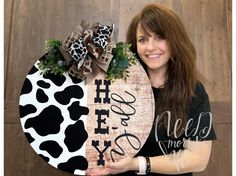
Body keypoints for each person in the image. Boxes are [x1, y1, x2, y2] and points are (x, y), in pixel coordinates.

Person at [88, 3, 216, 176]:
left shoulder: (193, 91)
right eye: (143, 40)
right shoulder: (118, 83)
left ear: (175, 40)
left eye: (159, 37)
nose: (150, 47)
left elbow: (198, 159)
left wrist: (136, 164)